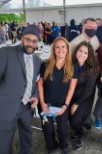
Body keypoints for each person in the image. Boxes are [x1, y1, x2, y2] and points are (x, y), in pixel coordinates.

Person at [0, 24, 42, 154]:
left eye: (34, 41)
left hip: (27, 107)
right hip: (7, 107)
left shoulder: (38, 61)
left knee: (27, 136)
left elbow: (35, 82)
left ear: (37, 44)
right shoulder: (6, 52)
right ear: (22, 38)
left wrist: (36, 96)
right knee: (4, 142)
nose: (30, 43)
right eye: (28, 39)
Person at [37, 37, 78, 154]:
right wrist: (42, 103)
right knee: (47, 128)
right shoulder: (46, 64)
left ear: (67, 49)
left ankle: (63, 145)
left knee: (63, 128)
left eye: (63, 47)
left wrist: (65, 105)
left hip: (61, 104)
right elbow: (39, 83)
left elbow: (72, 88)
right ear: (53, 49)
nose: (60, 50)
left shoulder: (72, 66)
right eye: (57, 47)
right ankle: (51, 146)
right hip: (46, 104)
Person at [70, 17, 100, 130]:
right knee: (78, 97)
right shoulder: (75, 42)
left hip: (92, 74)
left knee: (90, 97)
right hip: (79, 76)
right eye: (89, 27)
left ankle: (86, 119)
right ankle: (76, 118)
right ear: (83, 27)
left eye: (94, 28)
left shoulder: (95, 39)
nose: (92, 30)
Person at [69, 41, 99, 150]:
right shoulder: (71, 64)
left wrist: (76, 104)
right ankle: (77, 132)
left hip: (82, 99)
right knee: (69, 118)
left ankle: (80, 136)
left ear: (89, 55)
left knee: (75, 119)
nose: (82, 54)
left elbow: (88, 91)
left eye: (85, 53)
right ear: (76, 51)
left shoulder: (92, 69)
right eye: (80, 51)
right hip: (69, 96)